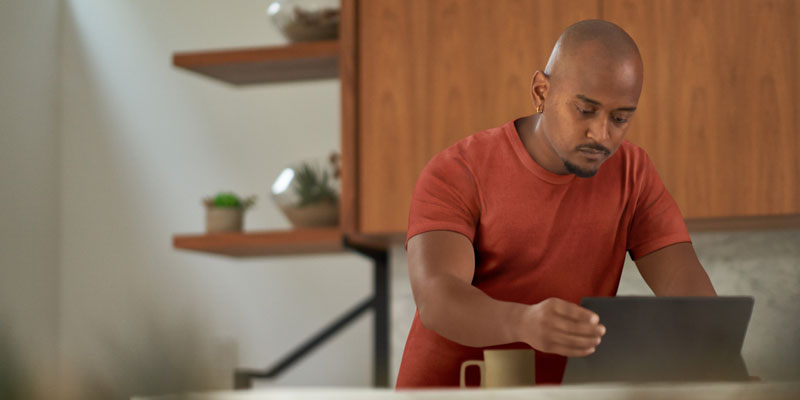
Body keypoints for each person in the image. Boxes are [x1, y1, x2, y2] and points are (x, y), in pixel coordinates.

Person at [395, 19, 717, 388]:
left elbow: (685, 285)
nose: (602, 134)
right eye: (584, 110)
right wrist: (523, 323)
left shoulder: (634, 173)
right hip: (450, 394)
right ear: (540, 91)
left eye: (620, 118)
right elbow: (437, 297)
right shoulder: (457, 170)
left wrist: (720, 364)